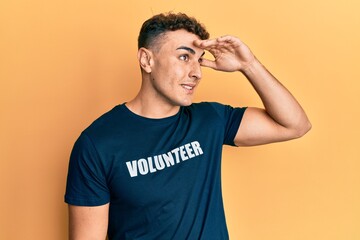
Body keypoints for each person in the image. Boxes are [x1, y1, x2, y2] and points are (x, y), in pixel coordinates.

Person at [65, 12, 311, 240]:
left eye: (199, 60)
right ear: (146, 60)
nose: (197, 72)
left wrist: (249, 65)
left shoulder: (210, 119)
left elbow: (295, 125)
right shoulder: (98, 144)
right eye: (184, 57)